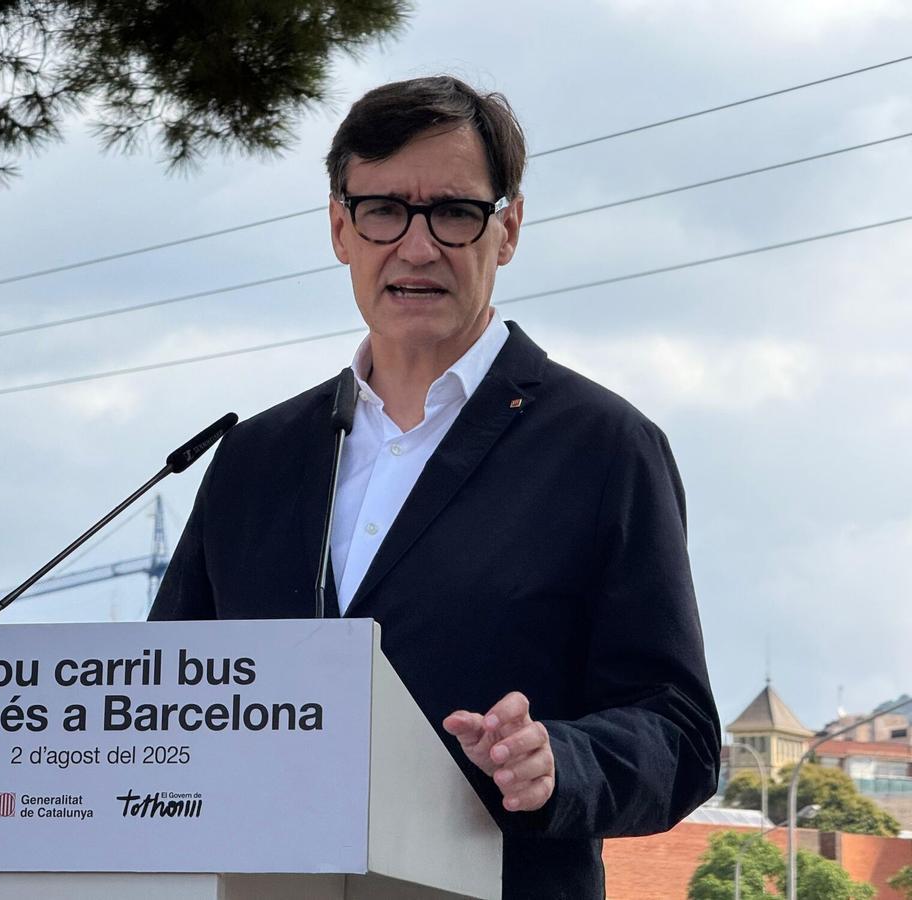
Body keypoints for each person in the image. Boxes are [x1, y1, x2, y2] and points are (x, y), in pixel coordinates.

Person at [149, 75, 720, 898]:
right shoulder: (255, 459)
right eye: (383, 209)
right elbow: (168, 689)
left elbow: (683, 732)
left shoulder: (604, 449)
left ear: (509, 228)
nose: (417, 248)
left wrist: (563, 760)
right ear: (341, 228)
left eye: (454, 212)